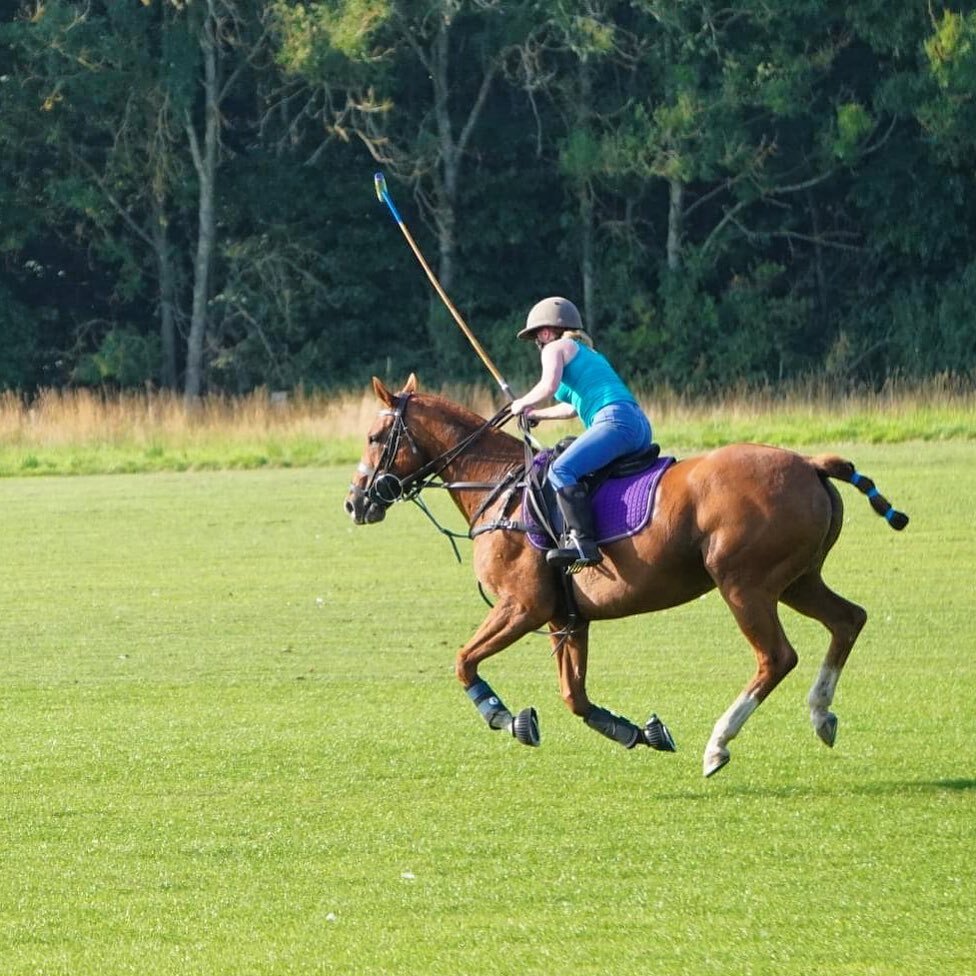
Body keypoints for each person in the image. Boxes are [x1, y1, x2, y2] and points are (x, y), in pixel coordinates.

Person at [510, 296, 653, 570]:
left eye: (537, 336)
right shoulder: (587, 352)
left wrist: (521, 403)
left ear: (547, 331)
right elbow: (572, 407)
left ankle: (582, 543)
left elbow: (547, 386)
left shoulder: (554, 348)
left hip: (613, 421)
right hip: (637, 424)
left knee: (560, 470)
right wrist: (536, 414)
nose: (538, 343)